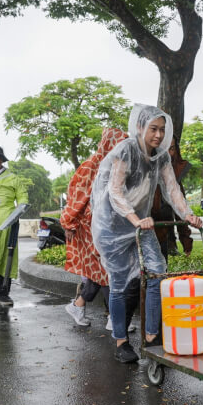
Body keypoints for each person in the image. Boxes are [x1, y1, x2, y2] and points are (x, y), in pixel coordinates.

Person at [91, 104, 203, 363]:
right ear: (140, 127)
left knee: (157, 272)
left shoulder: (161, 156)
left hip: (141, 224)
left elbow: (172, 189)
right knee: (118, 284)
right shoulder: (126, 150)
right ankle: (121, 341)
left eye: (162, 130)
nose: (158, 135)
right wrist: (134, 218)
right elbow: (115, 192)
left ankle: (152, 336)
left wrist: (188, 215)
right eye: (153, 129)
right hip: (113, 227)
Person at [60, 128, 127, 327]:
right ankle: (113, 318)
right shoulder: (91, 165)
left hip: (103, 224)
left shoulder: (113, 165)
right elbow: (77, 195)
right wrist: (69, 221)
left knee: (100, 270)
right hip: (89, 227)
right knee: (106, 269)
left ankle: (79, 305)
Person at [0, 144, 29, 307]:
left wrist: (16, 214)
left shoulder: (13, 178)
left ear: (1, 160)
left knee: (6, 258)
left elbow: (23, 199)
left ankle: (3, 293)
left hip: (7, 222)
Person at [152, 138, 193, 257]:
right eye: (163, 149)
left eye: (172, 148)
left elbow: (180, 206)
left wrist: (186, 241)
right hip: (139, 233)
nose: (168, 154)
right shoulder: (143, 171)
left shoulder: (174, 175)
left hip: (161, 235)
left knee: (161, 273)